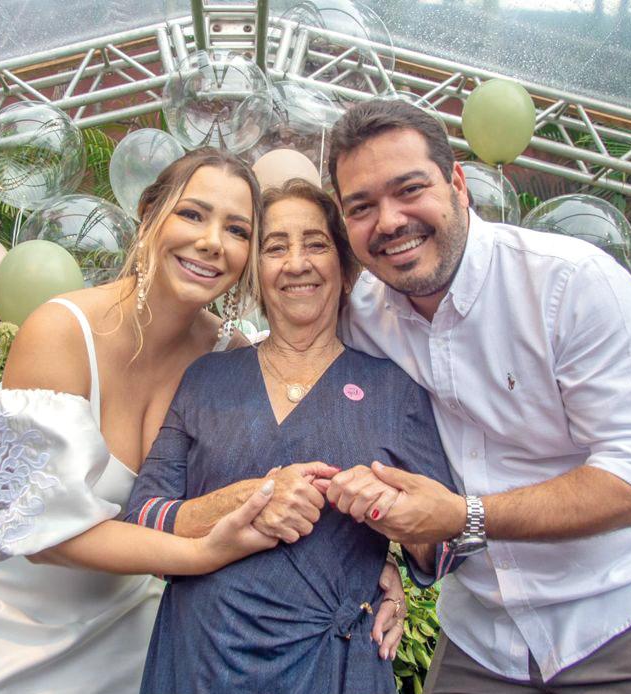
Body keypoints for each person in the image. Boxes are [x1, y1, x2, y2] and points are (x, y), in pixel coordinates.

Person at [325, 99, 631, 692]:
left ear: (458, 184)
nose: (388, 221)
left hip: (622, 616)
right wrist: (379, 559)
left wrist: (468, 518)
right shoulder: (363, 318)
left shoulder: (570, 285)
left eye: (409, 189)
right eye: (362, 207)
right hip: (481, 638)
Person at [0, 149, 305, 694]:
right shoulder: (60, 331)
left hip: (135, 625)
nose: (211, 241)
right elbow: (36, 532)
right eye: (192, 214)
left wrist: (378, 574)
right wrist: (198, 555)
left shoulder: (236, 359)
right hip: (3, 618)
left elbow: (300, 476)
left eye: (237, 229)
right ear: (148, 214)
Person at [124, 178, 463, 694]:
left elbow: (440, 547)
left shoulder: (394, 389)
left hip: (333, 665)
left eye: (316, 244)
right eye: (275, 247)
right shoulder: (208, 378)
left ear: (346, 268)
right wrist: (248, 498)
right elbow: (143, 518)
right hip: (200, 657)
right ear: (255, 272)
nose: (297, 263)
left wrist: (394, 516)